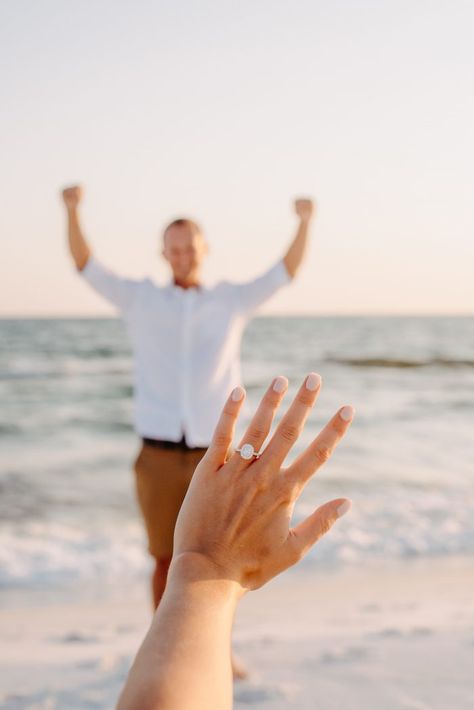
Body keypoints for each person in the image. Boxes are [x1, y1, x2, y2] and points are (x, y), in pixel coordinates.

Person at [61, 185, 314, 605]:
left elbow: (284, 271)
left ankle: (216, 654)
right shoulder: (140, 299)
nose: (182, 257)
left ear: (204, 249)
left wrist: (304, 221)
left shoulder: (230, 300)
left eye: (189, 249)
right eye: (174, 250)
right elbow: (85, 264)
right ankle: (161, 653)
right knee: (165, 561)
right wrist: (71, 210)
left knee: (218, 561)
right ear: (163, 254)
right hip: (157, 457)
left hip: (215, 455)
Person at [117, 373, 354, 709]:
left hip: (211, 448)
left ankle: (195, 649)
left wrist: (201, 563)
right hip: (159, 448)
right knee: (162, 558)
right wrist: (214, 567)